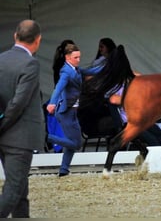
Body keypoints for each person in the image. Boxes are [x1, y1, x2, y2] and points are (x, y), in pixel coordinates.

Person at [79, 45, 161, 149]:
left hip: (138, 118)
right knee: (152, 139)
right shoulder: (110, 84)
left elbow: (139, 77)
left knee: (159, 133)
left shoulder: (126, 80)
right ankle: (160, 159)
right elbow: (113, 100)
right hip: (127, 122)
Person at [0, 19, 44, 218]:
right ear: (38, 40)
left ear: (15, 36)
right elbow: (19, 102)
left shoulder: (1, 59)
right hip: (19, 135)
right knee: (15, 188)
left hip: (5, 136)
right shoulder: (30, 63)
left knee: (20, 189)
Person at [46, 43, 102, 177]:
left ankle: (64, 170)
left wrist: (110, 67)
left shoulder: (75, 70)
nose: (78, 60)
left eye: (79, 57)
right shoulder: (66, 72)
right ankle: (48, 138)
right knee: (76, 144)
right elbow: (58, 88)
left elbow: (91, 71)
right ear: (67, 58)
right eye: (76, 58)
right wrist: (52, 103)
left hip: (72, 112)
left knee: (72, 143)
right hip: (65, 112)